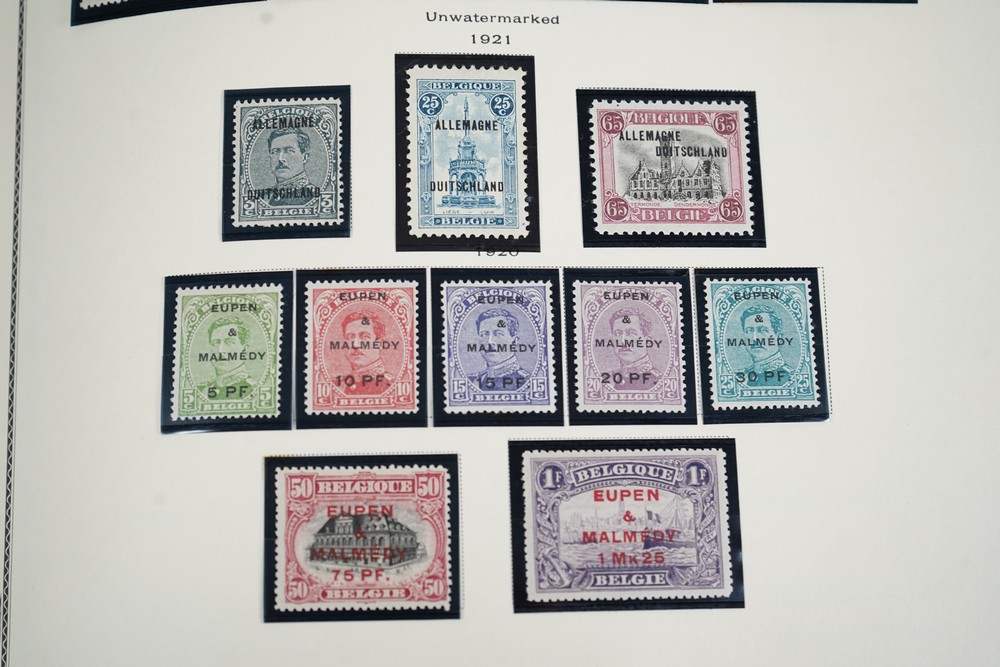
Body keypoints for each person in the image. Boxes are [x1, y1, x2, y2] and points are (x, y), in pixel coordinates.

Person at [467, 308, 529, 391]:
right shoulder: (473, 382)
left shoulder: (527, 382)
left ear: (514, 341)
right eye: (484, 334)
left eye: (498, 334)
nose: (489, 341)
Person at [199, 316, 257, 400]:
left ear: (244, 349)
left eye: (229, 342)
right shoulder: (202, 391)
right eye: (216, 343)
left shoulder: (253, 390)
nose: (220, 350)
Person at [737, 304, 795, 386]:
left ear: (778, 337)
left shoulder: (792, 377)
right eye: (749, 331)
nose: (755, 338)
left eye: (762, 330)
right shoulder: (741, 378)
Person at [339, 311, 394, 395]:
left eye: (365, 336)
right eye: (350, 337)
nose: (356, 345)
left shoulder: (391, 385)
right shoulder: (340, 386)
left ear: (379, 344)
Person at [607, 307, 661, 391]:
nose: (623, 341)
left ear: (647, 340)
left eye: (631, 333)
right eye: (618, 334)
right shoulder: (607, 381)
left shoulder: (659, 381)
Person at [264, 128, 319, 206]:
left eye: (289, 151)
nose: (280, 158)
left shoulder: (313, 196)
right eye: (275, 152)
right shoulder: (265, 198)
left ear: (304, 157)